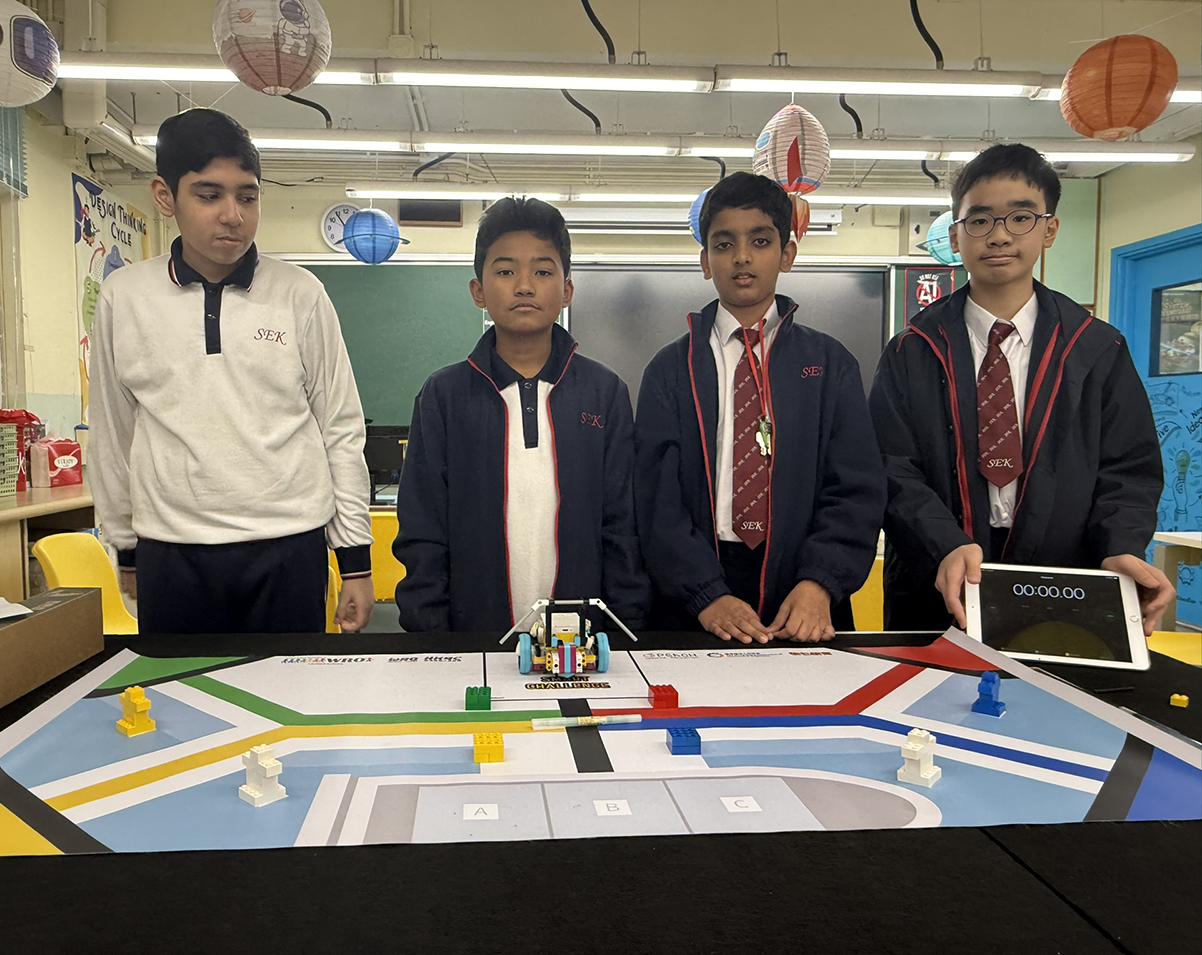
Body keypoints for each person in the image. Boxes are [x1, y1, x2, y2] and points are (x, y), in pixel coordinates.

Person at [89, 108, 374, 633]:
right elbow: (112, 432)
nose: (232, 215)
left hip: (288, 547)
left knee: (288, 686)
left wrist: (354, 557)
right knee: (181, 688)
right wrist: (125, 545)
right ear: (165, 196)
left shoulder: (300, 293)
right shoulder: (123, 297)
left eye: (247, 196)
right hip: (172, 551)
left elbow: (340, 426)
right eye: (208, 195)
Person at [869, 143, 1172, 632]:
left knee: (1055, 680)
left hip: (1064, 578)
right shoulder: (913, 349)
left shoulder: (1095, 348)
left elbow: (1128, 469)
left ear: (1049, 229)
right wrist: (943, 542)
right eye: (980, 220)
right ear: (956, 235)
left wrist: (1120, 546)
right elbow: (892, 467)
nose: (999, 235)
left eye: (1021, 218)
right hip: (939, 577)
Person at [635, 172, 885, 644]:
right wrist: (705, 594)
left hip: (803, 593)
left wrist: (820, 582)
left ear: (787, 254)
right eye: (723, 244)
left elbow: (856, 488)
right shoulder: (670, 369)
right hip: (696, 598)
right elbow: (655, 500)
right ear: (705, 261)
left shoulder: (829, 364)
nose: (742, 257)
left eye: (760, 241)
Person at [394, 197, 649, 632]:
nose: (525, 286)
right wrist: (431, 633)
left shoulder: (603, 392)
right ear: (478, 290)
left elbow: (622, 525)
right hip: (472, 638)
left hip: (583, 643)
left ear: (567, 290)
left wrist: (626, 628)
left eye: (543, 272)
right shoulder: (444, 395)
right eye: (506, 271)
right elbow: (423, 526)